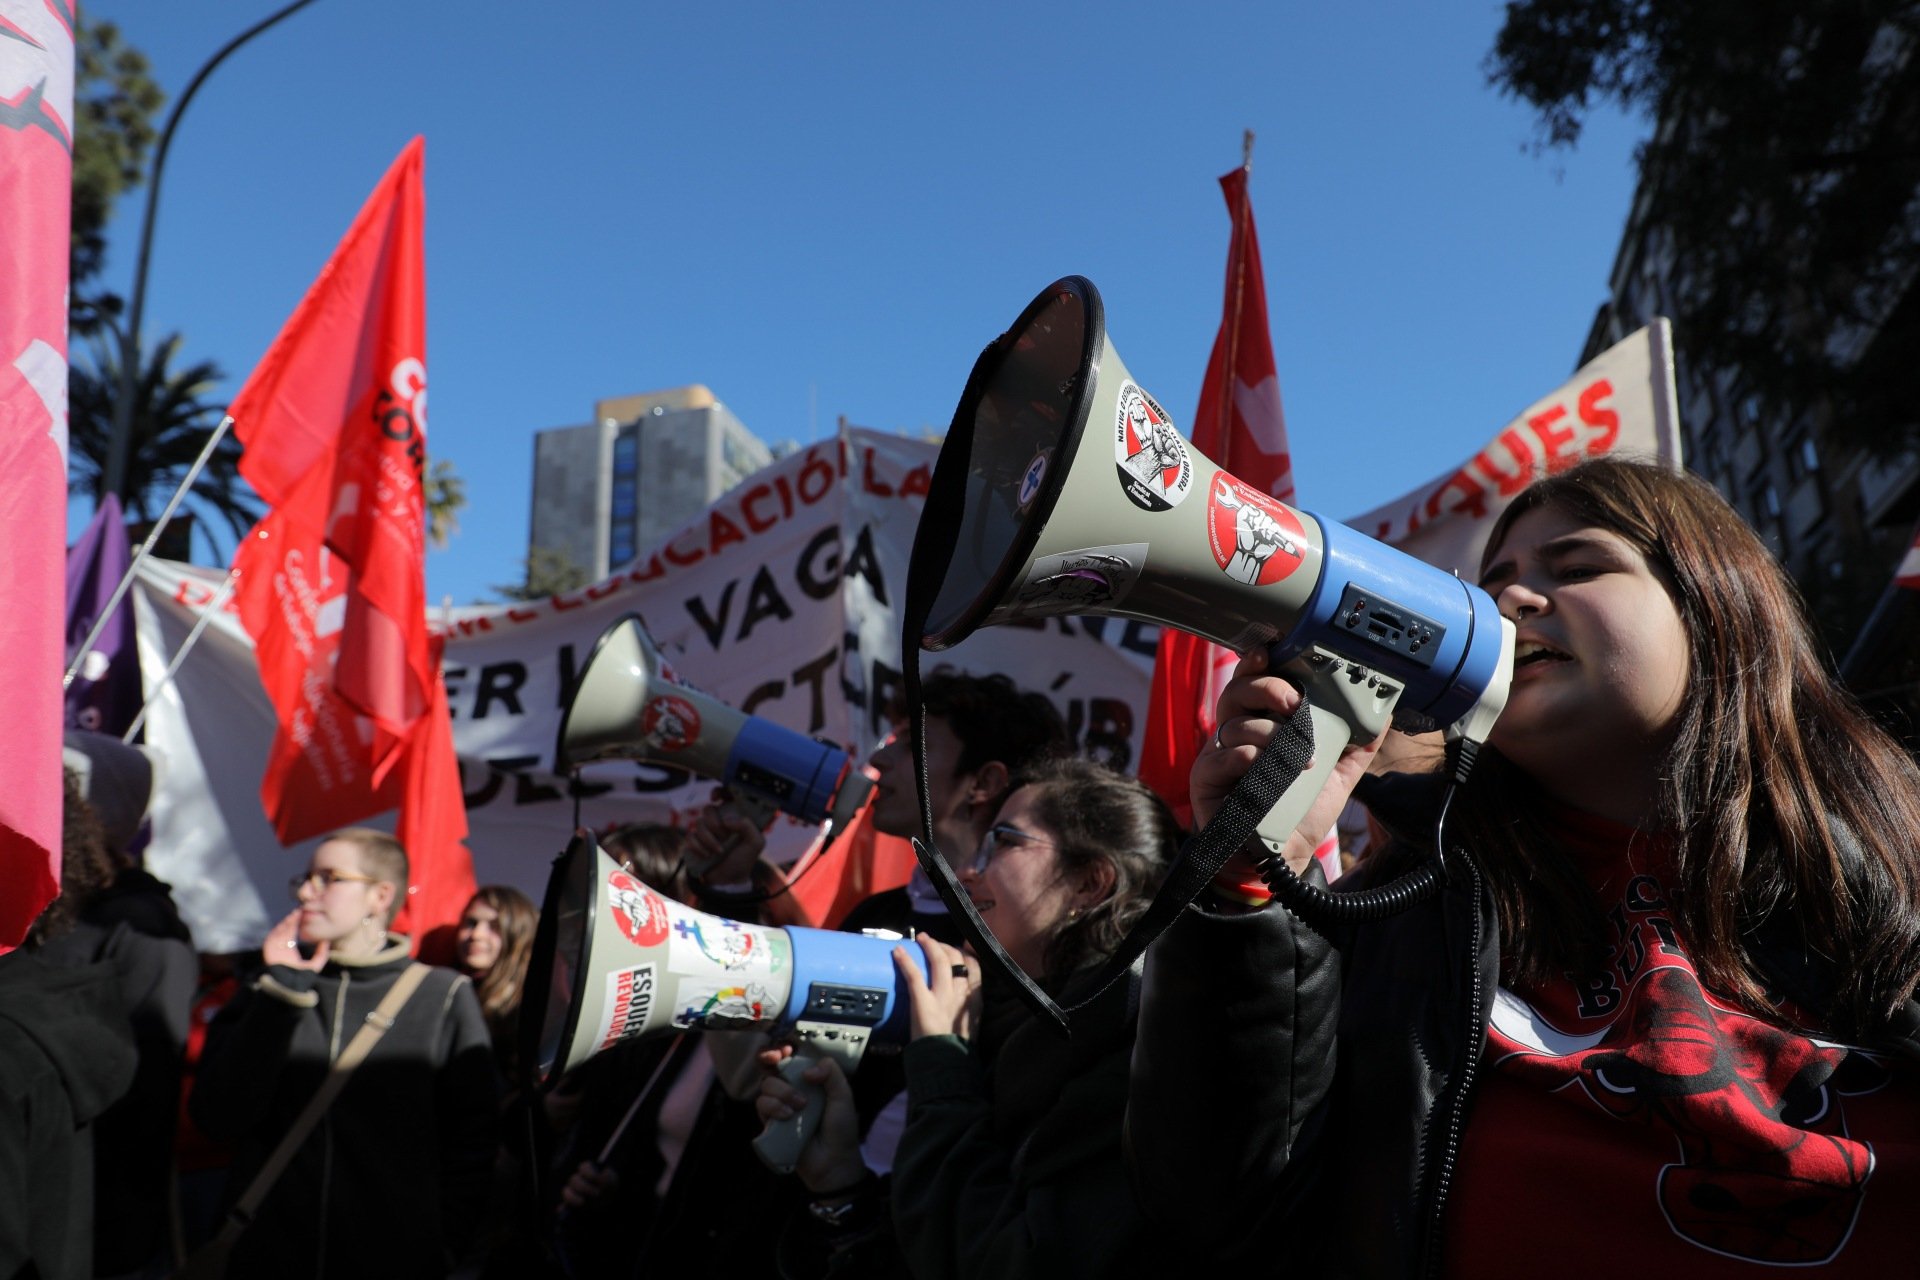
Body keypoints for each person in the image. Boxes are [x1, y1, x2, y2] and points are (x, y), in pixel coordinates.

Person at [1128, 457, 1920, 1276]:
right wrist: (1250, 881)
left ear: (1718, 607)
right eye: (1494, 581)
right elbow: (1218, 1209)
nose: (1511, 600)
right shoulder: (1395, 921)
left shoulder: (1896, 861)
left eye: (1578, 567)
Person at [757, 755, 1182, 1278]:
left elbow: (1006, 1263)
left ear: (1089, 884)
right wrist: (841, 1185)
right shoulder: (1011, 1026)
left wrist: (943, 1068)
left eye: (1004, 841)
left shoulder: (1135, 1050)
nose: (967, 874)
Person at [191, 828, 499, 1278]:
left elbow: (474, 1143)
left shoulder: (442, 996)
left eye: (330, 878)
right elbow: (216, 1117)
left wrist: (443, 1245)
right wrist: (279, 1000)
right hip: (267, 1256)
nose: (307, 892)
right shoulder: (268, 985)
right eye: (307, 878)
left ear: (380, 896)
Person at [454, 884, 538, 1083]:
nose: (476, 935)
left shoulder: (529, 1002)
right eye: (471, 923)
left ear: (518, 934)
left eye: (494, 927)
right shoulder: (451, 985)